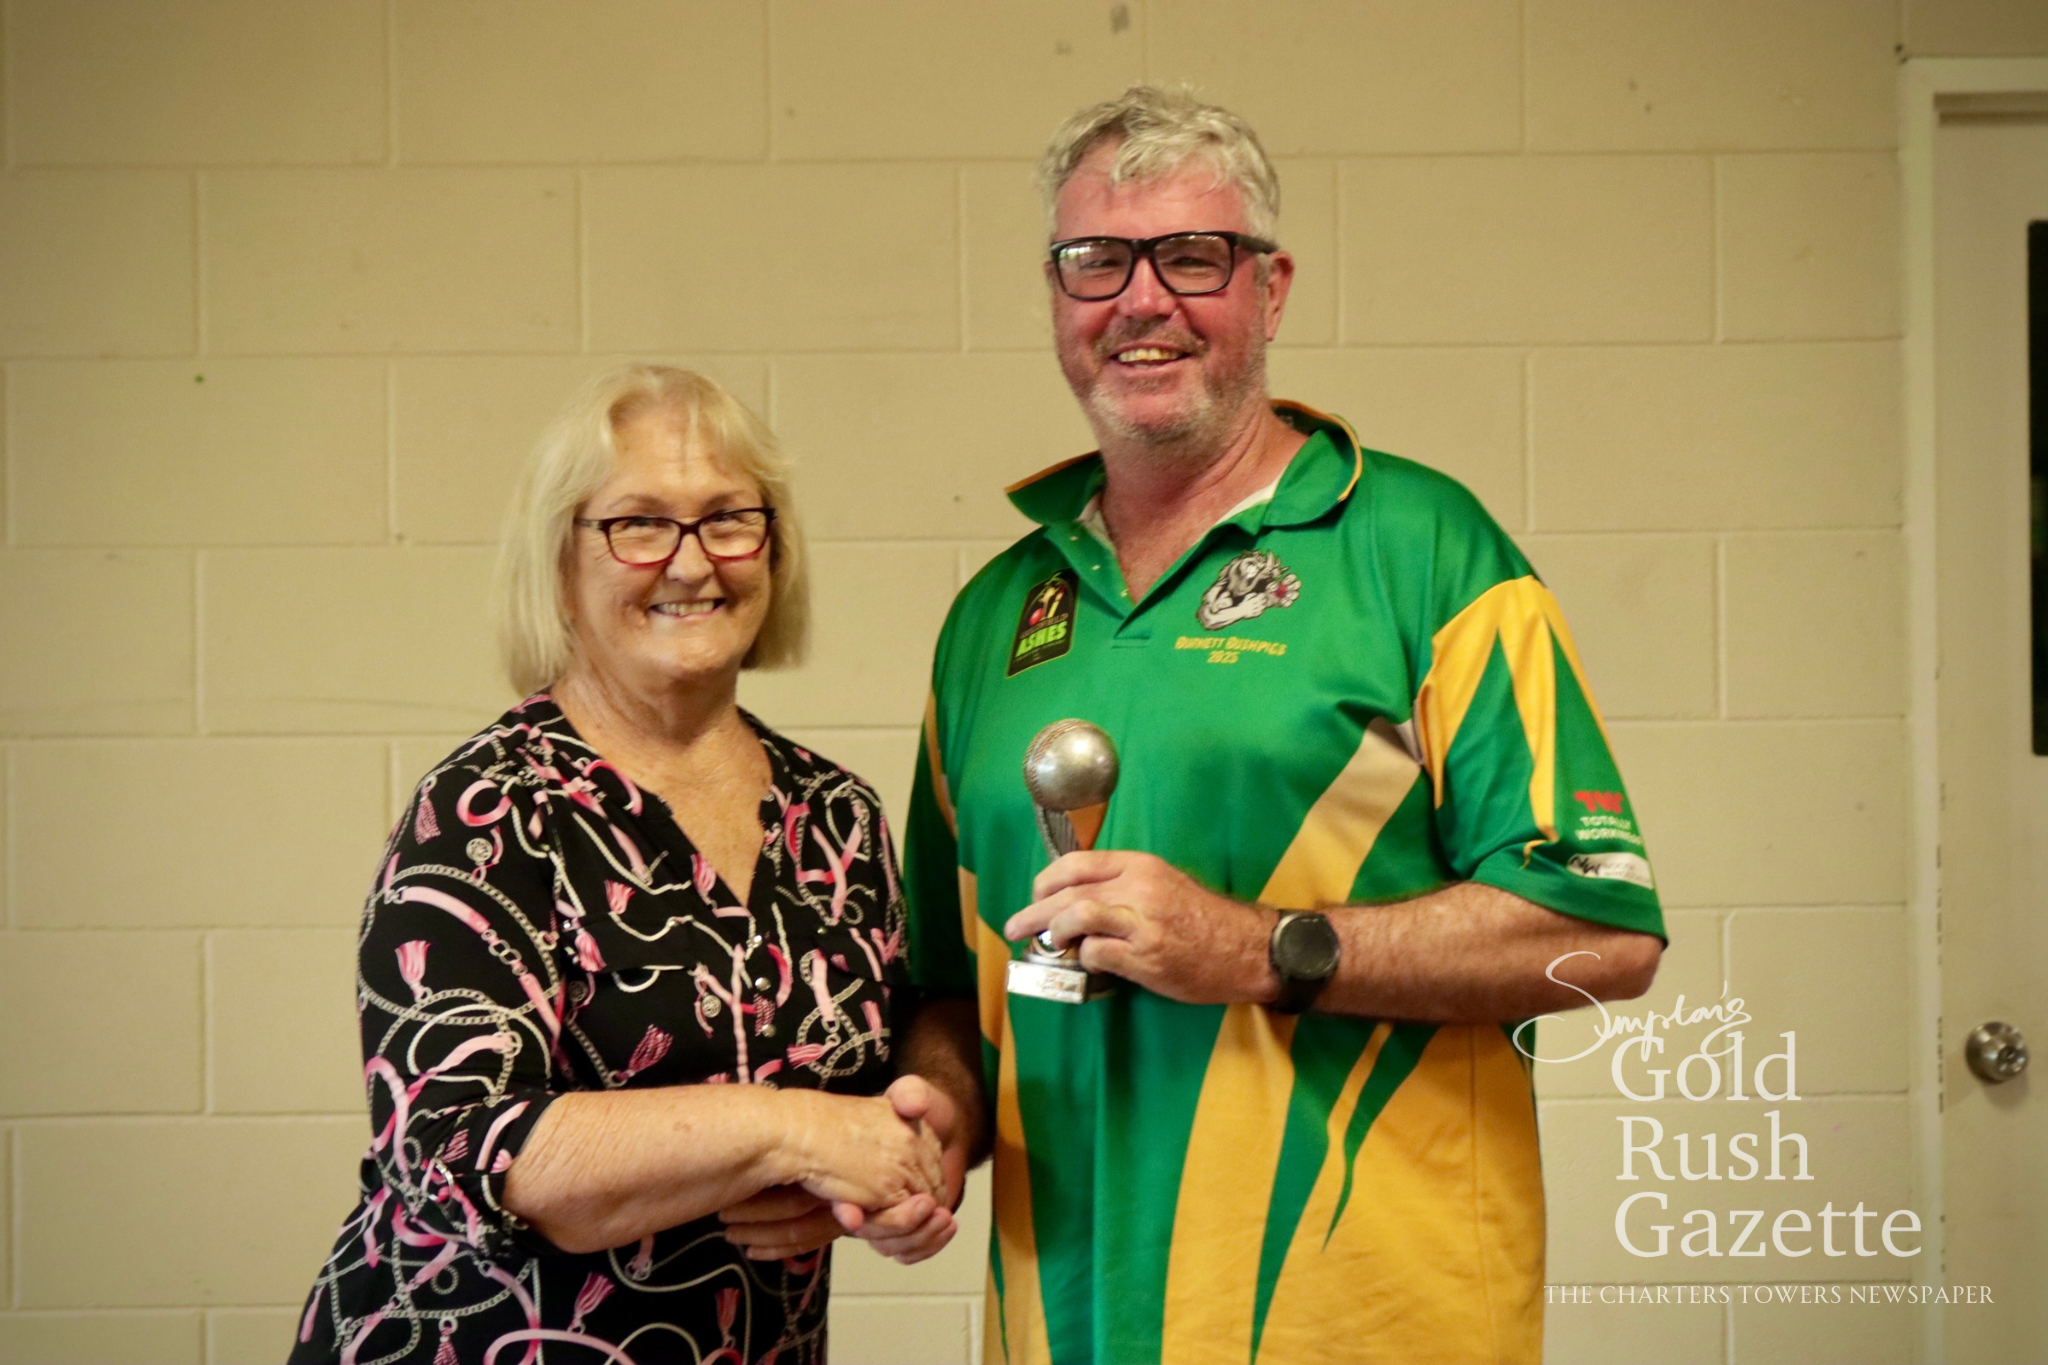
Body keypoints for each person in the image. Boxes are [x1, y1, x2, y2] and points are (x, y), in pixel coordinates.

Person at [895, 87, 1669, 1364]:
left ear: (1271, 288)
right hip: (1060, 1326)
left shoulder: (1424, 552)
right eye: (1094, 260)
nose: (1140, 302)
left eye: (1192, 257)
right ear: (1053, 296)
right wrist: (932, 1118)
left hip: (1367, 1325)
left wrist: (1260, 949)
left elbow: (1600, 934)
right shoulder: (991, 616)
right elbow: (940, 978)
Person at [290, 365, 957, 1365]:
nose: (691, 564)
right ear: (560, 564)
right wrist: (792, 1132)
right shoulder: (486, 811)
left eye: (729, 519)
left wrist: (909, 1165)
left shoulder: (835, 816)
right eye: (638, 524)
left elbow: (899, 1054)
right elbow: (456, 1151)